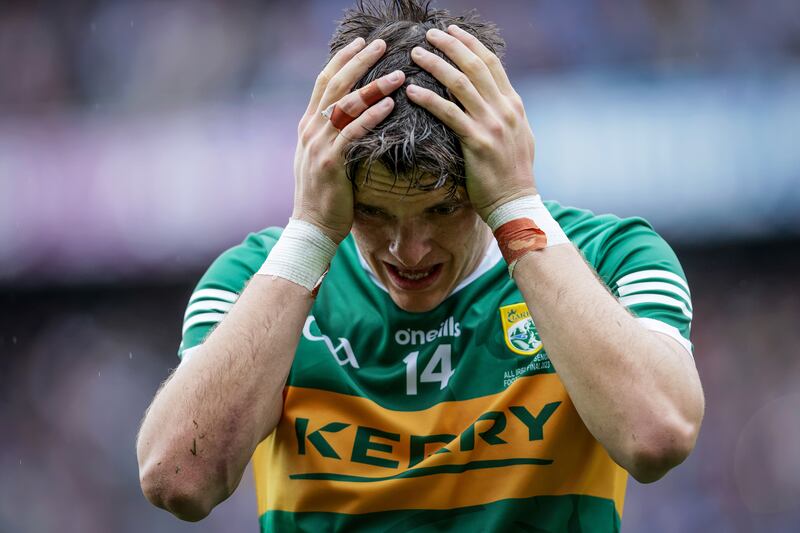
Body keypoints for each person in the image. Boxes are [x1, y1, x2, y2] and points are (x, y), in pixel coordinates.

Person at [136, 1, 705, 531]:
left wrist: (518, 211)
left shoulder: (611, 256)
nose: (408, 251)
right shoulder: (255, 278)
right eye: (375, 212)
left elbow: (656, 437)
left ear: (489, 174)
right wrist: (310, 233)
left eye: (442, 209)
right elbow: (178, 481)